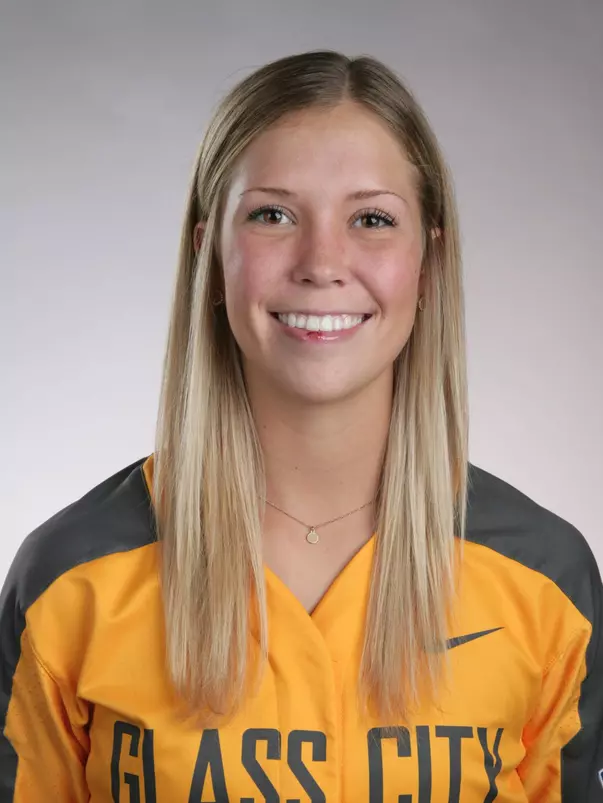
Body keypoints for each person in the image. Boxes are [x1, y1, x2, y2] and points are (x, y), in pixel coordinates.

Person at [0, 49, 601, 803]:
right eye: (272, 214)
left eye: (372, 218)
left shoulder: (546, 582)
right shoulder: (71, 581)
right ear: (209, 257)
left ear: (428, 264)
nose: (322, 262)